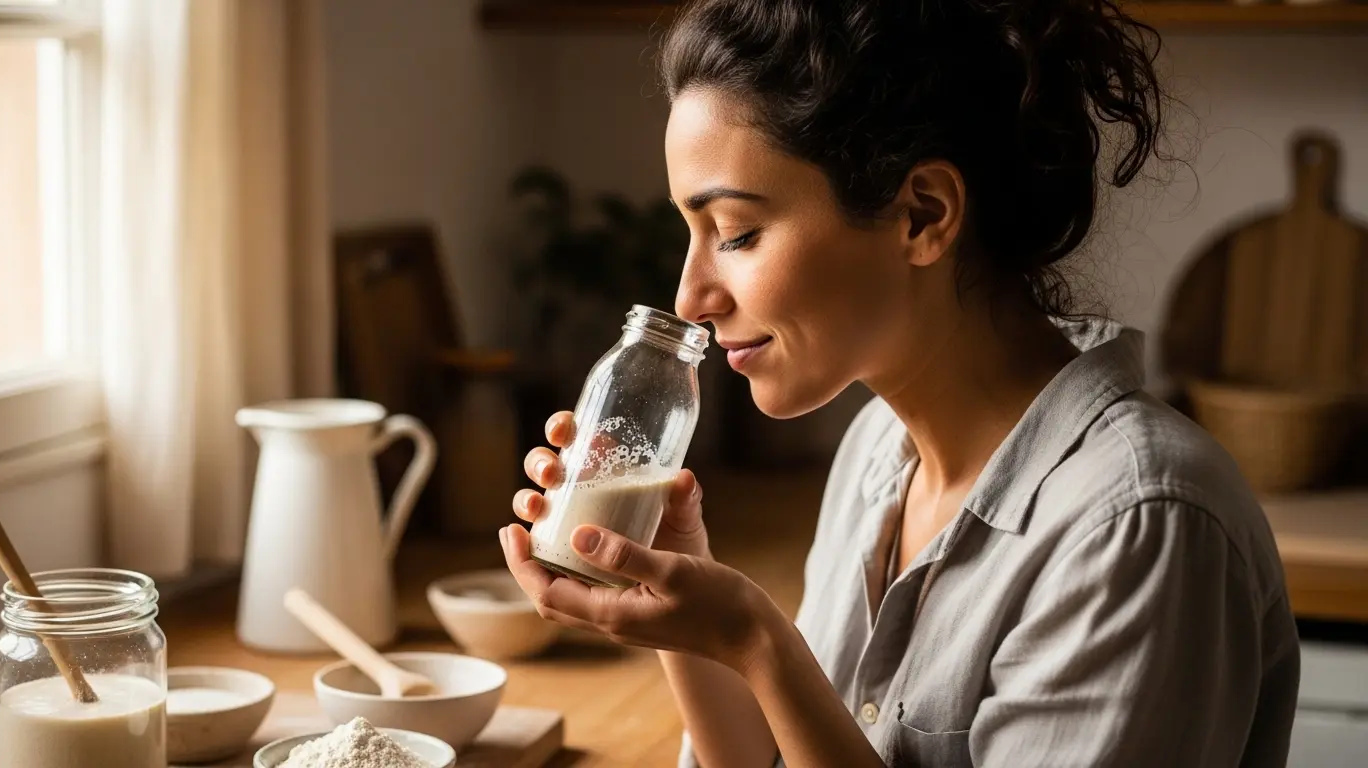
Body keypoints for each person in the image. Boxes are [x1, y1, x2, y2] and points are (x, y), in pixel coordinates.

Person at [499, 0, 1300, 765]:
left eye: (737, 233)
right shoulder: (880, 449)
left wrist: (757, 640)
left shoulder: (1140, 527)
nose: (690, 299)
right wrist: (679, 595)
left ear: (922, 214)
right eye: (692, 231)